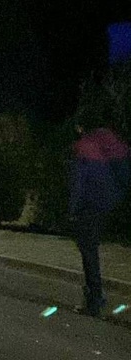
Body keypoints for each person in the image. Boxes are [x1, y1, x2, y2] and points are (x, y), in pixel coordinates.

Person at [69, 122, 130, 316]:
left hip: (89, 206)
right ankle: (95, 296)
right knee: (91, 249)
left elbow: (79, 183)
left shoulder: (85, 149)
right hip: (107, 204)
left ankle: (94, 299)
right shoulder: (107, 144)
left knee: (88, 252)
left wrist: (72, 210)